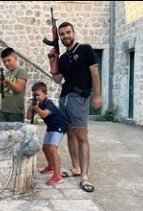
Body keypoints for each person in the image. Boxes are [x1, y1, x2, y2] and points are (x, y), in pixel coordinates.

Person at [48, 22, 101, 193]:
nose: (65, 36)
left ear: (74, 33)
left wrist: (98, 95)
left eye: (67, 33)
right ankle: (76, 168)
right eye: (62, 34)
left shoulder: (85, 49)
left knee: (81, 135)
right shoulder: (62, 58)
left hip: (79, 97)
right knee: (69, 132)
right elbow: (57, 81)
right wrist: (52, 62)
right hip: (64, 98)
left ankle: (85, 175)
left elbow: (94, 73)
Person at [27, 81, 68, 186]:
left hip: (59, 126)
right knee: (45, 148)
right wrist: (30, 107)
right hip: (51, 127)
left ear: (45, 94)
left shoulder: (48, 103)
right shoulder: (38, 103)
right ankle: (51, 166)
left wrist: (35, 107)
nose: (36, 97)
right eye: (34, 95)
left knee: (52, 148)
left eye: (38, 94)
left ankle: (57, 175)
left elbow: (44, 114)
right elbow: (28, 117)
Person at [0, 48, 29, 122]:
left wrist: (8, 81)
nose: (6, 64)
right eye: (4, 62)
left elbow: (18, 89)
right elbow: (1, 91)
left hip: (16, 112)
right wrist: (0, 83)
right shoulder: (6, 74)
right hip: (3, 110)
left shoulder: (21, 72)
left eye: (8, 60)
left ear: (15, 58)